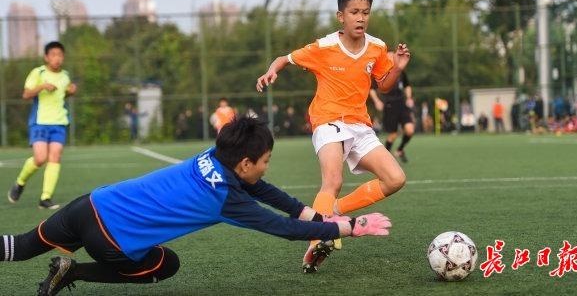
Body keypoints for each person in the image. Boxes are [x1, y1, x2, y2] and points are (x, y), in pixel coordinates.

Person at [0, 117, 391, 295]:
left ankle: (56, 264)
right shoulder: (226, 199)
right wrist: (347, 227)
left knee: (20, 246)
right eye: (265, 160)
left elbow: (264, 191)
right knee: (164, 264)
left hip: (90, 204)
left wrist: (314, 215)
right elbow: (282, 229)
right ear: (244, 163)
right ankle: (74, 274)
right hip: (109, 241)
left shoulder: (215, 153)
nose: (266, 166)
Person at [256, 0, 410, 273]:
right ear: (341, 16)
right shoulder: (324, 47)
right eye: (354, 12)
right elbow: (284, 58)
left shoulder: (377, 47)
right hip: (327, 120)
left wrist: (397, 67)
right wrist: (271, 71)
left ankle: (334, 211)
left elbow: (384, 86)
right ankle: (316, 241)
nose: (361, 18)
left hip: (360, 125)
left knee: (395, 178)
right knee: (333, 181)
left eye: (365, 12)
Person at [7, 41, 77, 210]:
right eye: (53, 55)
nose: (57, 58)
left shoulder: (65, 75)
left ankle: (45, 198)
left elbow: (63, 95)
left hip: (59, 122)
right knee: (40, 158)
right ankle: (20, 182)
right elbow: (26, 94)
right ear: (46, 57)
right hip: (39, 122)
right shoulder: (38, 73)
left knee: (55, 157)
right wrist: (42, 86)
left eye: (60, 55)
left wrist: (70, 92)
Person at [369, 57, 415, 162]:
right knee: (393, 134)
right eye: (389, 57)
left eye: (393, 57)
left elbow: (407, 85)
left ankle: (400, 149)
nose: (393, 59)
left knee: (410, 130)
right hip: (389, 105)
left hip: (402, 104)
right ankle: (385, 158)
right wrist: (377, 101)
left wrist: (409, 98)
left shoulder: (400, 71)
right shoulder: (381, 73)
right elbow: (371, 88)